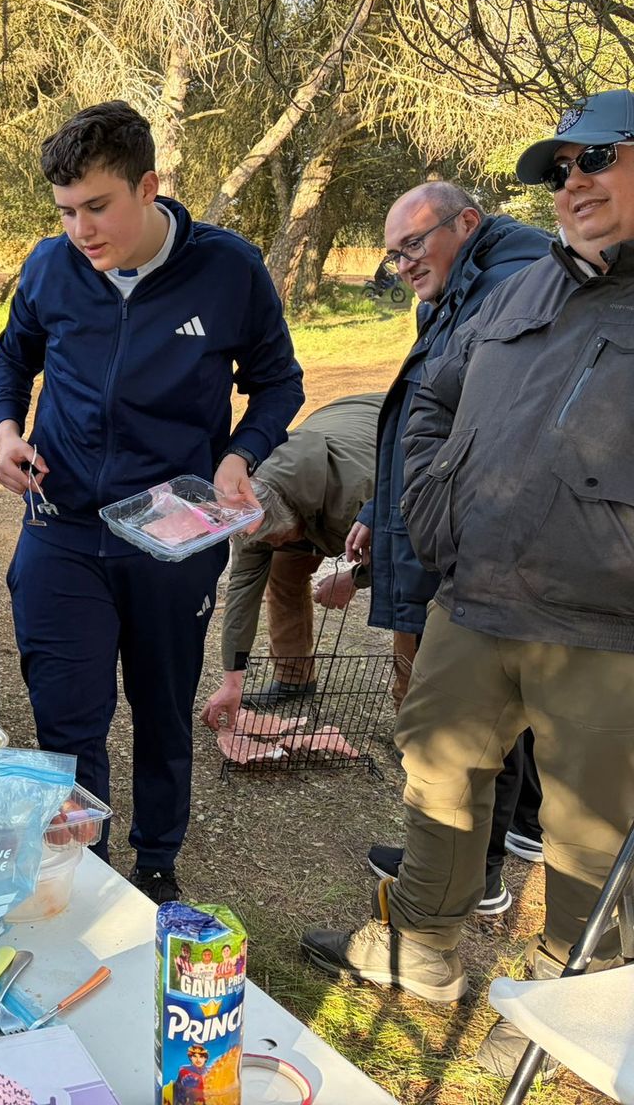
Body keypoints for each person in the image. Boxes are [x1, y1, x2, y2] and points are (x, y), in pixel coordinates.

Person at [301, 90, 634, 1076]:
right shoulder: (529, 284)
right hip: (475, 590)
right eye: (557, 169)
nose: (571, 183)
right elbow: (436, 389)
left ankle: (564, 1014)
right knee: (436, 778)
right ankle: (420, 954)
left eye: (596, 160)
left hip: (604, 622)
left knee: (585, 833)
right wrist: (438, 498)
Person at [0, 101, 304, 904]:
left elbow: (278, 383)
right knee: (67, 716)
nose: (81, 231)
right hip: (61, 530)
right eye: (65, 212)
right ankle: (83, 870)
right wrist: (4, 431)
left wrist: (241, 457)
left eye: (97, 207)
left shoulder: (228, 270)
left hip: (174, 535)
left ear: (148, 186)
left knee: (162, 710)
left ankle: (156, 863)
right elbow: (13, 359)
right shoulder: (51, 267)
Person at [349, 184, 552, 916]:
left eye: (413, 245)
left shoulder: (512, 289)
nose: (401, 264)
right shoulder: (453, 291)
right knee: (492, 707)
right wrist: (378, 509)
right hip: (441, 519)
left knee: (474, 716)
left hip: (483, 536)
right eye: (392, 252)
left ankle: (482, 870)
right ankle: (519, 833)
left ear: (467, 223)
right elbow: (418, 414)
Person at [198, 393, 380, 730]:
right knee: (282, 569)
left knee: (410, 601)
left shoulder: (358, 495)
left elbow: (408, 549)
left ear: (295, 519)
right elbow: (242, 592)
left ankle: (415, 714)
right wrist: (232, 678)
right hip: (331, 429)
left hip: (383, 429)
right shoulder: (253, 511)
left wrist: (356, 578)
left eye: (277, 539)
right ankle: (295, 679)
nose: (271, 545)